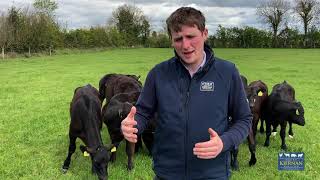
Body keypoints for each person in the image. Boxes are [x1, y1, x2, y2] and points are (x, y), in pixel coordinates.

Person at [121, 7, 252, 180]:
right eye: (178, 39)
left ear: (204, 33)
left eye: (191, 36)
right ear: (171, 41)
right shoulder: (158, 74)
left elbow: (244, 119)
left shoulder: (227, 72)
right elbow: (143, 113)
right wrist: (133, 124)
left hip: (213, 174)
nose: (185, 45)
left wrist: (224, 142)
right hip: (167, 173)